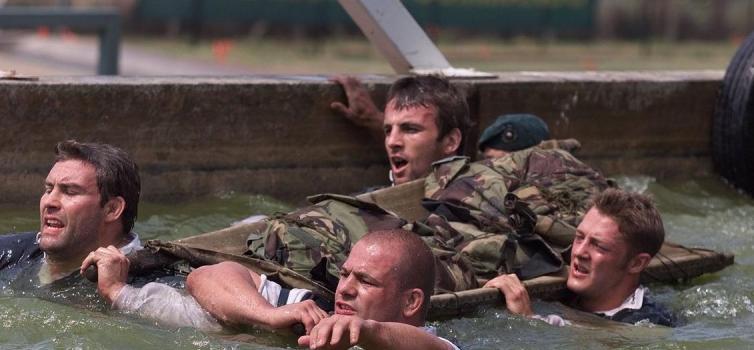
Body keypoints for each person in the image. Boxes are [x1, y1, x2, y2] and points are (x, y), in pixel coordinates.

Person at [84, 229, 459, 349]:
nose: (345, 289)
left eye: (366, 281)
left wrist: (366, 331)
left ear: (411, 302)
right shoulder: (311, 312)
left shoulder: (427, 342)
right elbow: (208, 277)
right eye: (345, 275)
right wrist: (271, 315)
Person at [484, 188, 676, 327]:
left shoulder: (647, 324)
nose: (579, 252)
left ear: (636, 263)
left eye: (598, 245)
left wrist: (527, 321)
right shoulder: (565, 298)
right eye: (579, 237)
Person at [0, 140, 142, 286]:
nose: (49, 202)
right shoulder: (15, 253)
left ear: (112, 209)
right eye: (48, 190)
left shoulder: (151, 283)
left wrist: (119, 293)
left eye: (70, 192)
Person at [334, 75, 472, 186]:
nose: (392, 142)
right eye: (388, 130)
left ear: (451, 141)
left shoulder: (473, 207)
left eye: (411, 129)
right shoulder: (371, 207)